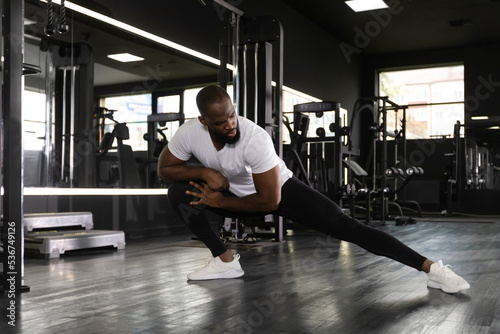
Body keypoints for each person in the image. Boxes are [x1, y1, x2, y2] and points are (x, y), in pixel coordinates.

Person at [158, 85, 470, 294]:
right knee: (177, 193)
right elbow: (165, 170)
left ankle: (432, 270)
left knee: (348, 227)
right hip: (229, 194)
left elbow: (269, 201)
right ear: (202, 120)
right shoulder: (190, 133)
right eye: (220, 122)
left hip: (277, 192)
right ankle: (225, 262)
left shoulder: (254, 138)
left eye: (232, 115)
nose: (230, 125)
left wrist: (220, 202)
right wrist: (204, 171)